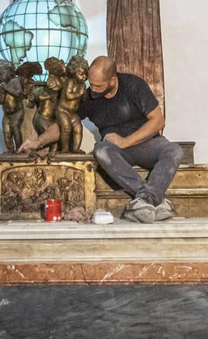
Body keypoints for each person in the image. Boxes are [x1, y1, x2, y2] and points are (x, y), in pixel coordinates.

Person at [20, 55, 180, 222]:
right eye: (91, 84)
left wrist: (125, 141)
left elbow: (158, 121)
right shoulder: (89, 97)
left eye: (98, 85)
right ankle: (150, 199)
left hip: (147, 144)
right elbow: (63, 123)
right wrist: (38, 141)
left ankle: (145, 200)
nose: (93, 89)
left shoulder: (133, 85)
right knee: (101, 150)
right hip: (115, 152)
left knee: (174, 149)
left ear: (112, 80)